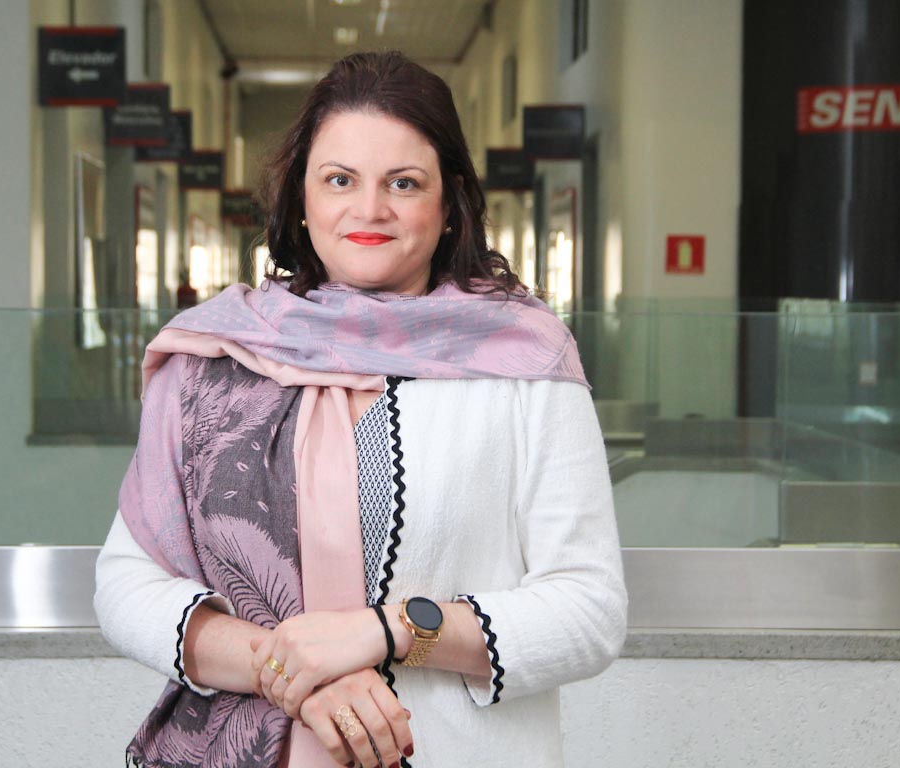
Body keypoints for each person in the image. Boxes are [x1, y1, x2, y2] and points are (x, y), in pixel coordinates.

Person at [95, 50, 627, 768]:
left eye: (403, 183)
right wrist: (290, 673)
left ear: (447, 208)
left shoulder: (526, 360)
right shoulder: (212, 359)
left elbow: (590, 609)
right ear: (302, 202)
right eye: (339, 179)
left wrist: (392, 631)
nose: (369, 209)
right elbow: (127, 584)